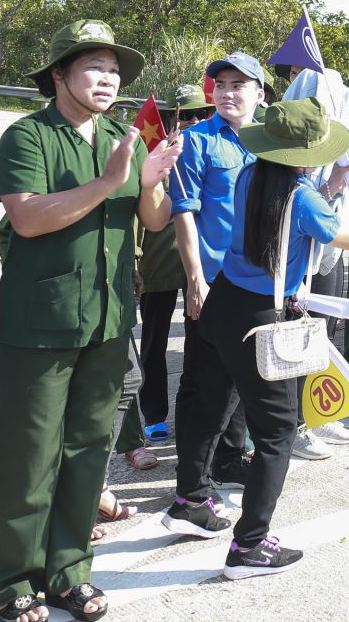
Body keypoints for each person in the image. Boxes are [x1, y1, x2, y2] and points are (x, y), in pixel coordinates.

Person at [0, 19, 181, 622]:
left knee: (86, 453)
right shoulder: (29, 137)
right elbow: (27, 218)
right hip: (42, 322)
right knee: (27, 458)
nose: (107, 78)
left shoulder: (125, 136)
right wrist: (107, 183)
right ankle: (15, 581)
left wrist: (149, 184)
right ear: (58, 75)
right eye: (94, 67)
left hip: (109, 318)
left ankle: (70, 571)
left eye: (114, 69)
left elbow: (151, 221)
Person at [163, 97, 349, 577]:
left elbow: (288, 219)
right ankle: (249, 546)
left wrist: (329, 183)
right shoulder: (299, 195)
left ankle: (189, 499)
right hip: (262, 314)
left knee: (210, 402)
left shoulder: (252, 173)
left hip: (224, 300)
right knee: (278, 431)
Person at [171, 53, 275, 492]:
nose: (228, 92)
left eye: (239, 85)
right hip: (212, 282)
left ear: (260, 94)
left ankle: (230, 458)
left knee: (241, 381)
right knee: (204, 384)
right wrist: (195, 277)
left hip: (256, 283)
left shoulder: (271, 141)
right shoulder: (195, 141)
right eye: (222, 84)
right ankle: (193, 476)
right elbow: (184, 214)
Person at [130, 86, 213, 448]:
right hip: (159, 263)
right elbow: (136, 211)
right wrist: (134, 260)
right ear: (169, 120)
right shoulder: (152, 156)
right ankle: (153, 414)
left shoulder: (210, 150)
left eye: (200, 115)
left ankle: (195, 413)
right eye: (185, 115)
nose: (193, 122)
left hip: (200, 264)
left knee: (200, 342)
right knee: (154, 342)